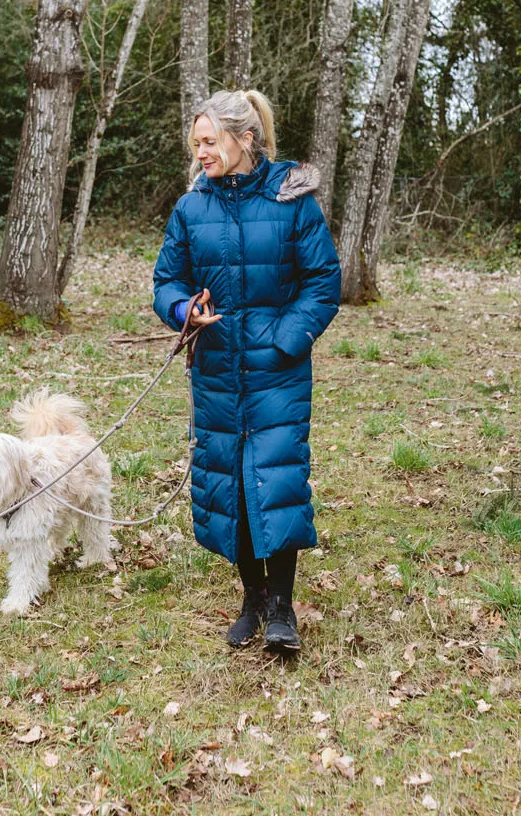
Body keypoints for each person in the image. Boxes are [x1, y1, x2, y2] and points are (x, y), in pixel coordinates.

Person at [152, 89, 341, 652]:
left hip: (276, 372)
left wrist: (285, 342)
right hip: (215, 371)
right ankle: (252, 598)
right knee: (229, 483)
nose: (201, 154)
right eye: (196, 145)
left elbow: (324, 282)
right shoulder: (191, 209)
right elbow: (167, 281)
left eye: (209, 142)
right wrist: (185, 309)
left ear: (245, 138)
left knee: (277, 482)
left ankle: (283, 607)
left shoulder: (292, 201)